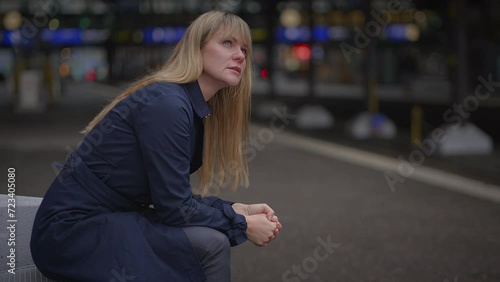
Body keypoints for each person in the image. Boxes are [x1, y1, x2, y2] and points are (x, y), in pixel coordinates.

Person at [30, 10, 282, 282]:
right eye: (228, 43)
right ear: (196, 49)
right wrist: (242, 225)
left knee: (209, 241)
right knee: (211, 244)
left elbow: (172, 197)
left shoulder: (185, 105)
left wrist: (234, 209)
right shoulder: (168, 104)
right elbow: (175, 208)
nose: (241, 56)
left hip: (111, 218)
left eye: (244, 48)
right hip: (72, 233)